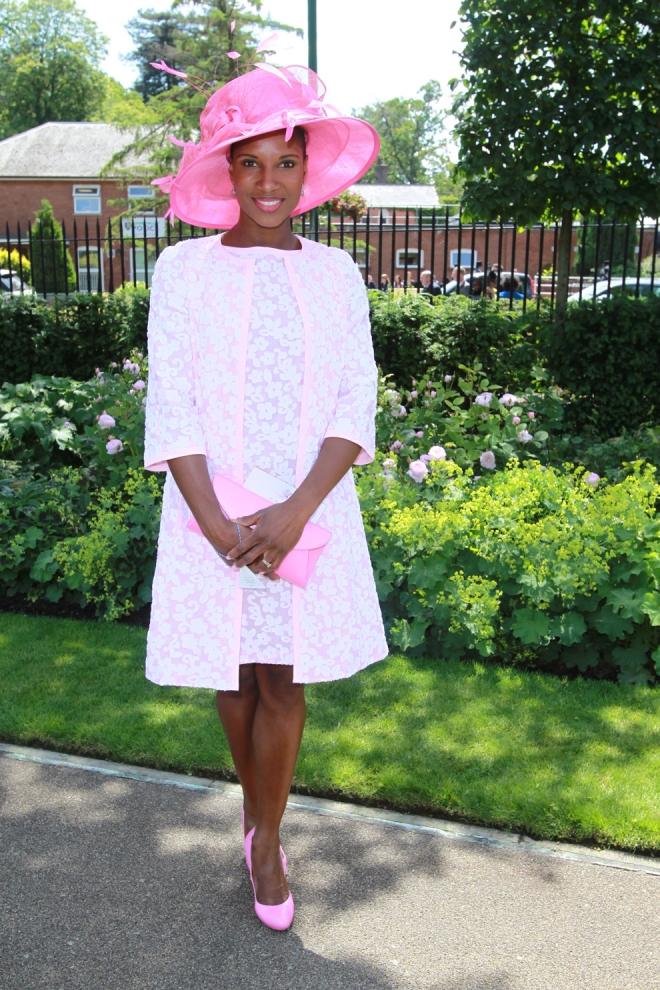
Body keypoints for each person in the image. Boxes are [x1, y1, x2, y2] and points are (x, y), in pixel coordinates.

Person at [145, 64, 387, 932]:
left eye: (287, 163)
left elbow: (352, 403)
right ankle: (256, 818)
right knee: (235, 676)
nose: (270, 183)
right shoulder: (182, 271)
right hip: (211, 509)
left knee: (282, 680)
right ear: (226, 171)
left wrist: (294, 514)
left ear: (307, 170)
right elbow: (171, 401)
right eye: (251, 163)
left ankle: (269, 839)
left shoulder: (337, 276)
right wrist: (217, 523)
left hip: (305, 511)